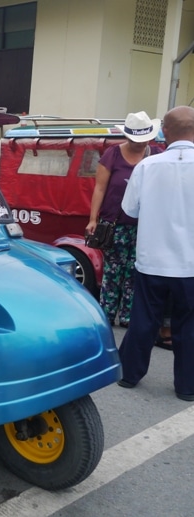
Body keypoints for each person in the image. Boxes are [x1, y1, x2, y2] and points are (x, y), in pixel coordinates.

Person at [116, 105, 194, 402]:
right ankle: (187, 387)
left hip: (153, 260)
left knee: (145, 320)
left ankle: (128, 375)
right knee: (189, 325)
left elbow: (129, 210)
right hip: (190, 264)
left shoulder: (147, 167)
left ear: (166, 133)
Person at [85, 111, 161, 328]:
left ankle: (128, 316)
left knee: (136, 271)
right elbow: (100, 188)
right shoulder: (113, 154)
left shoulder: (156, 154)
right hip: (114, 223)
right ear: (127, 136)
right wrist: (93, 219)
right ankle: (106, 315)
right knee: (113, 270)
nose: (139, 143)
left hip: (145, 225)